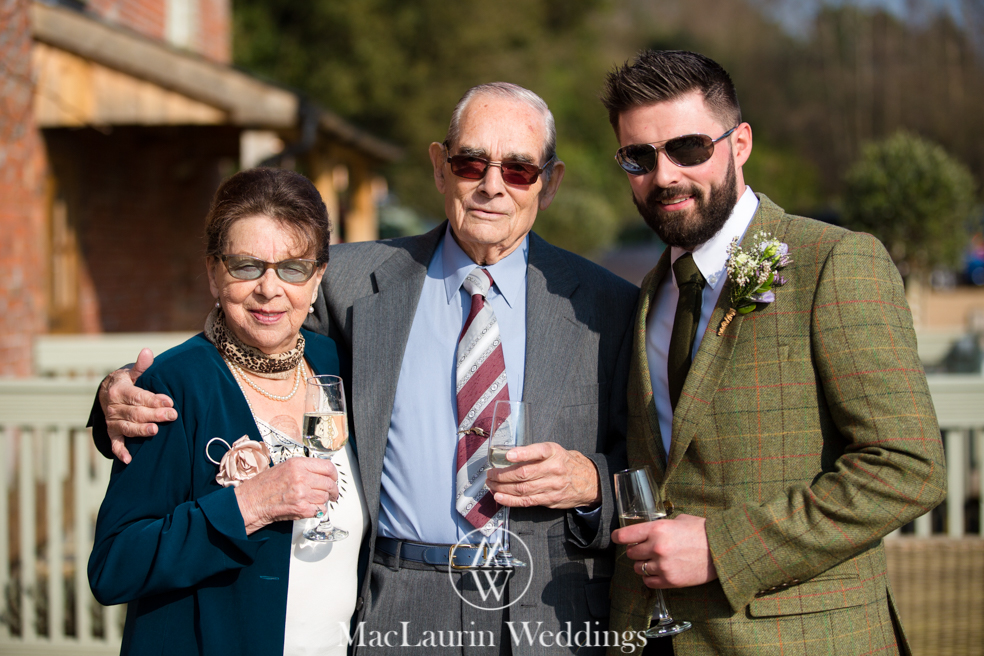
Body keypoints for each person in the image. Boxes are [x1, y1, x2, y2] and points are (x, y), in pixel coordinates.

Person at [89, 83, 639, 655]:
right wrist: (119, 393)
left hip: (544, 615)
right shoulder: (353, 284)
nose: (492, 185)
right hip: (394, 610)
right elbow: (247, 332)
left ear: (550, 183)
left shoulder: (608, 307)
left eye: (520, 169)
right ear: (439, 167)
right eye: (471, 161)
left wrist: (594, 484)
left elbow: (658, 467)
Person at [600, 50, 947, 655]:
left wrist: (723, 548)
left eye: (688, 148)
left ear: (740, 144)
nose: (665, 176)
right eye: (639, 157)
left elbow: (908, 468)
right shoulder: (648, 293)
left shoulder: (835, 262)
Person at [87, 168, 369, 656]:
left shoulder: (337, 365)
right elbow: (114, 567)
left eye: (293, 268)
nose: (269, 288)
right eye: (246, 266)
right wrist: (248, 505)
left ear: (318, 276)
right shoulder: (172, 386)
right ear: (214, 273)